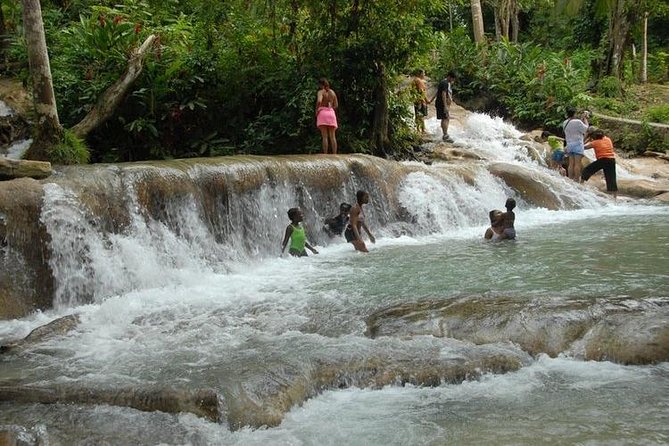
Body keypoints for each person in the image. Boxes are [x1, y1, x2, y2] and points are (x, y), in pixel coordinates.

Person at [582, 127, 618, 198]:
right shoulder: (608, 139)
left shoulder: (594, 143)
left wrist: (587, 138)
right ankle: (614, 197)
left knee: (587, 170)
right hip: (611, 160)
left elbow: (583, 147)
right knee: (611, 178)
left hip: (602, 160)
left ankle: (581, 184)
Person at [562, 107, 589, 182]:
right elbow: (586, 129)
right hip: (578, 144)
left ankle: (570, 178)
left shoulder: (565, 122)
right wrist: (585, 119)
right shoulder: (577, 122)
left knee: (571, 163)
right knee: (577, 163)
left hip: (569, 144)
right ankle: (576, 179)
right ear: (574, 114)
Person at [429, 71, 456, 143]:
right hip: (442, 104)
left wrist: (431, 100)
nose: (453, 81)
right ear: (449, 77)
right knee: (446, 118)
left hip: (440, 103)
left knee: (445, 118)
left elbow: (437, 92)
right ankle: (445, 135)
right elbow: (443, 94)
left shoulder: (444, 82)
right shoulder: (445, 83)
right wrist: (445, 106)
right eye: (452, 79)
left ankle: (445, 134)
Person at [316, 78, 339, 154]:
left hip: (322, 113)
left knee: (325, 136)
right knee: (332, 136)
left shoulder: (321, 92)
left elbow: (319, 101)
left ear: (321, 85)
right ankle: (334, 154)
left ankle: (325, 154)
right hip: (331, 113)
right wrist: (330, 108)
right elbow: (336, 105)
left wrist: (317, 110)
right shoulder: (332, 92)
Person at [412, 69, 428, 134]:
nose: (424, 75)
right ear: (420, 73)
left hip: (416, 100)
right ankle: (423, 130)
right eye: (424, 73)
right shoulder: (419, 81)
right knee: (421, 116)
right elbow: (421, 92)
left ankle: (418, 129)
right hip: (420, 101)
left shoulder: (414, 80)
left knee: (417, 115)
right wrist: (426, 100)